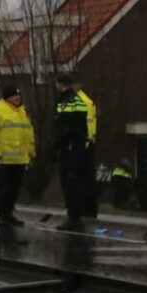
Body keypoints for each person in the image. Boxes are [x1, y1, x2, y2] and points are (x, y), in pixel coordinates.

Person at [0, 83, 34, 227]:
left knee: (15, 188)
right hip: (4, 159)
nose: (17, 98)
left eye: (18, 95)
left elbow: (28, 134)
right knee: (5, 188)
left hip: (20, 158)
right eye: (14, 95)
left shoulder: (22, 111)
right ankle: (3, 214)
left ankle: (9, 213)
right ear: (7, 97)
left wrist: (31, 152)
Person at [53, 73, 91, 231]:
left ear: (60, 84)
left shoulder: (66, 102)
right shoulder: (78, 100)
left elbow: (64, 127)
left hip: (70, 148)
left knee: (69, 183)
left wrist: (56, 146)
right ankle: (76, 216)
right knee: (75, 182)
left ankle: (73, 218)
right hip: (79, 146)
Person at [74, 78, 99, 219]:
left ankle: (86, 210)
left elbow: (87, 126)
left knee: (83, 180)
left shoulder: (81, 102)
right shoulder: (86, 101)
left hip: (84, 145)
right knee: (87, 179)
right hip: (87, 144)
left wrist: (83, 144)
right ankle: (88, 210)